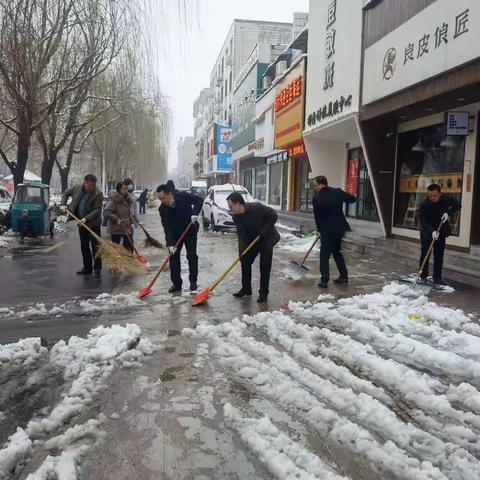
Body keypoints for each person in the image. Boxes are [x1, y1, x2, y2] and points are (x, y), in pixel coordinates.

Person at [227, 192, 280, 304]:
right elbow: (241, 234)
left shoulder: (257, 207)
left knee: (264, 265)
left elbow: (273, 215)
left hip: (267, 237)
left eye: (231, 206)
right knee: (245, 260)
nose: (230, 209)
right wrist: (242, 251)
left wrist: (264, 231)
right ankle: (246, 289)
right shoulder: (236, 216)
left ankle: (263, 293)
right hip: (253, 240)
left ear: (238, 203)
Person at [157, 183, 203, 292]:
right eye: (160, 199)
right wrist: (170, 244)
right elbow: (167, 228)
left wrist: (195, 213)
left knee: (191, 256)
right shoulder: (162, 209)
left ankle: (193, 282)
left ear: (169, 194)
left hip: (189, 230)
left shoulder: (182, 196)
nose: (162, 201)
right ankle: (177, 284)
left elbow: (199, 200)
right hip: (176, 235)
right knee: (173, 257)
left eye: (163, 198)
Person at [312, 175, 357, 288]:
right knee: (337, 252)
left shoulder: (317, 198)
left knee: (324, 254)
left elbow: (317, 216)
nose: (314, 188)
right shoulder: (337, 192)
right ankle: (344, 276)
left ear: (322, 184)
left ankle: (324, 280)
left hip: (327, 230)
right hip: (339, 228)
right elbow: (352, 199)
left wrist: (320, 230)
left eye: (315, 185)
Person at [418, 184, 461, 285]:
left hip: (441, 230)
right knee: (425, 254)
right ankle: (423, 276)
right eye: (430, 196)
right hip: (427, 231)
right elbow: (423, 221)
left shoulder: (446, 200)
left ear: (440, 194)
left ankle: (437, 277)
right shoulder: (424, 204)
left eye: (435, 195)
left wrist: (448, 213)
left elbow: (458, 206)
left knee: (439, 254)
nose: (432, 198)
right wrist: (432, 231)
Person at [61, 174, 104, 275]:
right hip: (81, 222)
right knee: (84, 246)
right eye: (89, 185)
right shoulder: (77, 188)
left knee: (96, 246)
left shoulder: (98, 194)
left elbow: (97, 210)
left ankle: (97, 268)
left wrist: (86, 218)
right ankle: (87, 268)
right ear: (84, 183)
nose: (91, 187)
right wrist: (63, 204)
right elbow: (66, 193)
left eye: (93, 185)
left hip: (93, 223)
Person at [104, 181, 136, 252]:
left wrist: (132, 222)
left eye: (127, 189)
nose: (126, 191)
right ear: (119, 190)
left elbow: (129, 213)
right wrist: (116, 219)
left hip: (127, 227)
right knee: (116, 250)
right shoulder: (114, 200)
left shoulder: (128, 199)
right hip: (116, 229)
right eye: (124, 189)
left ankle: (129, 261)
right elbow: (106, 212)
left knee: (129, 247)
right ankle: (118, 262)